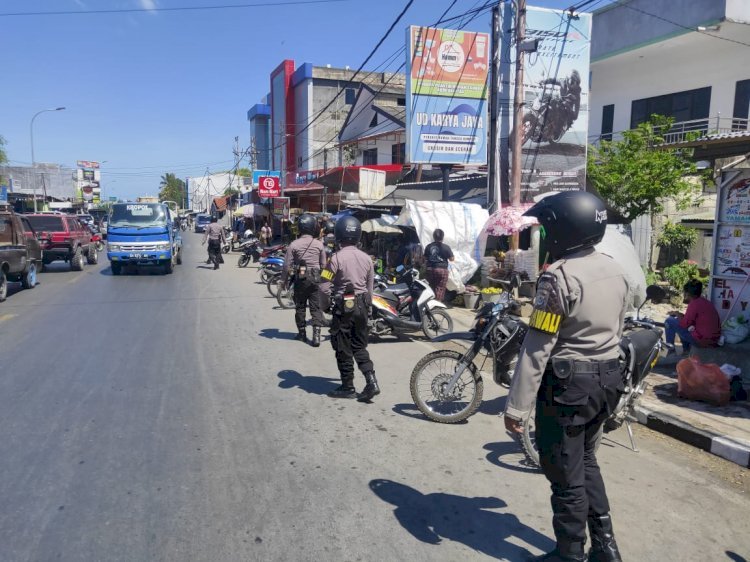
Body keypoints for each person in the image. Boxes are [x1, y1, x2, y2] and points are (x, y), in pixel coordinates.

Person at [503, 191, 629, 562]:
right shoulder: (615, 268)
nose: (545, 235)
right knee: (587, 461)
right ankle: (605, 548)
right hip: (608, 380)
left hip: (569, 388)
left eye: (547, 228)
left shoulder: (557, 279)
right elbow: (618, 331)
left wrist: (517, 407)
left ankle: (570, 554)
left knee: (565, 472)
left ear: (564, 230)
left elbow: (537, 346)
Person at [322, 216, 379, 402]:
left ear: (338, 234)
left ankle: (348, 386)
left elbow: (324, 285)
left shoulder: (334, 259)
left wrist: (325, 306)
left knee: (342, 346)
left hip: (343, 306)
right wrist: (368, 311)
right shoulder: (367, 259)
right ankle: (371, 381)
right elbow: (370, 289)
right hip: (362, 305)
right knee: (359, 346)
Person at [282, 213, 327, 346]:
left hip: (300, 279)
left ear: (300, 227)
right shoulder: (319, 245)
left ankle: (302, 334)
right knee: (315, 307)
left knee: (300, 307)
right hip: (315, 278)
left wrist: (283, 281)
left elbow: (286, 266)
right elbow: (324, 265)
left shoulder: (294, 245)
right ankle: (317, 337)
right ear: (313, 227)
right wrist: (324, 281)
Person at [665, 279, 721, 354]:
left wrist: (677, 314)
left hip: (703, 341)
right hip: (713, 339)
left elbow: (684, 324)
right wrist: (678, 314)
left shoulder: (694, 304)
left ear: (687, 293)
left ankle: (671, 351)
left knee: (669, 321)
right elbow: (690, 320)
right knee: (678, 321)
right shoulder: (704, 302)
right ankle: (686, 349)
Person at [424, 229, 454, 303]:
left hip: (430, 269)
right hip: (442, 270)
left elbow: (424, 258)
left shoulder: (429, 246)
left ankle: (429, 302)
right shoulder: (446, 247)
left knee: (430, 286)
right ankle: (437, 304)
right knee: (440, 287)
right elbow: (452, 259)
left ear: (434, 237)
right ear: (442, 237)